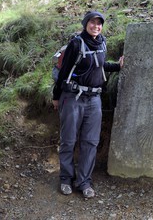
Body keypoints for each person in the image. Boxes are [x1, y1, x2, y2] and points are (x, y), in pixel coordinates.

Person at [52, 11, 123, 198]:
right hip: (73, 97)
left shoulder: (102, 42)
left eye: (99, 23)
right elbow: (64, 72)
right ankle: (66, 178)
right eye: (92, 23)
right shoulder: (76, 43)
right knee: (68, 140)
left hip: (94, 100)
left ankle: (84, 181)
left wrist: (117, 66)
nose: (96, 26)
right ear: (85, 24)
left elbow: (98, 66)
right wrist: (56, 96)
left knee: (90, 142)